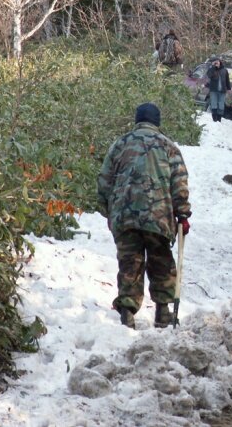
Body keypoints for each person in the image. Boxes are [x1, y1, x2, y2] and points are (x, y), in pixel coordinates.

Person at [97, 103, 191, 329]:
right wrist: (183, 214)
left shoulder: (120, 144)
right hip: (158, 216)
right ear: (157, 122)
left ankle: (127, 312)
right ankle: (163, 312)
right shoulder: (169, 148)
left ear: (137, 120)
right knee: (161, 260)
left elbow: (104, 181)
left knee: (130, 261)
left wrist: (108, 211)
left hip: (125, 214)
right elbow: (179, 185)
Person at [206, 57, 230, 122]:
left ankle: (219, 118)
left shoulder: (224, 70)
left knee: (221, 104)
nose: (217, 63)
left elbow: (227, 80)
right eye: (215, 62)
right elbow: (209, 75)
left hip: (222, 90)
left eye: (218, 61)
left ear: (220, 62)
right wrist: (213, 67)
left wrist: (229, 88)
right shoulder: (211, 69)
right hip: (213, 90)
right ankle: (214, 118)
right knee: (213, 103)